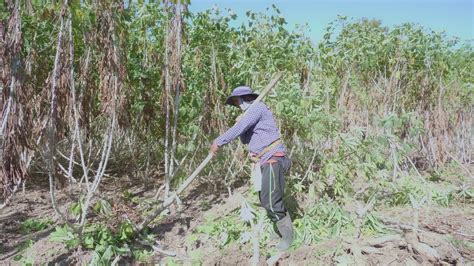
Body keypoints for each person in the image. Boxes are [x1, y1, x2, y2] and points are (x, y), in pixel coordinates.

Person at [210, 86, 293, 250]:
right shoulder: (249, 114)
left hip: (273, 158)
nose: (236, 104)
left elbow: (238, 130)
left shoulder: (258, 108)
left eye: (236, 101)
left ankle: (288, 237)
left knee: (271, 199)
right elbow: (245, 137)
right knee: (265, 199)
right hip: (262, 160)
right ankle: (280, 230)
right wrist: (241, 121)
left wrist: (218, 142)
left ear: (243, 98)